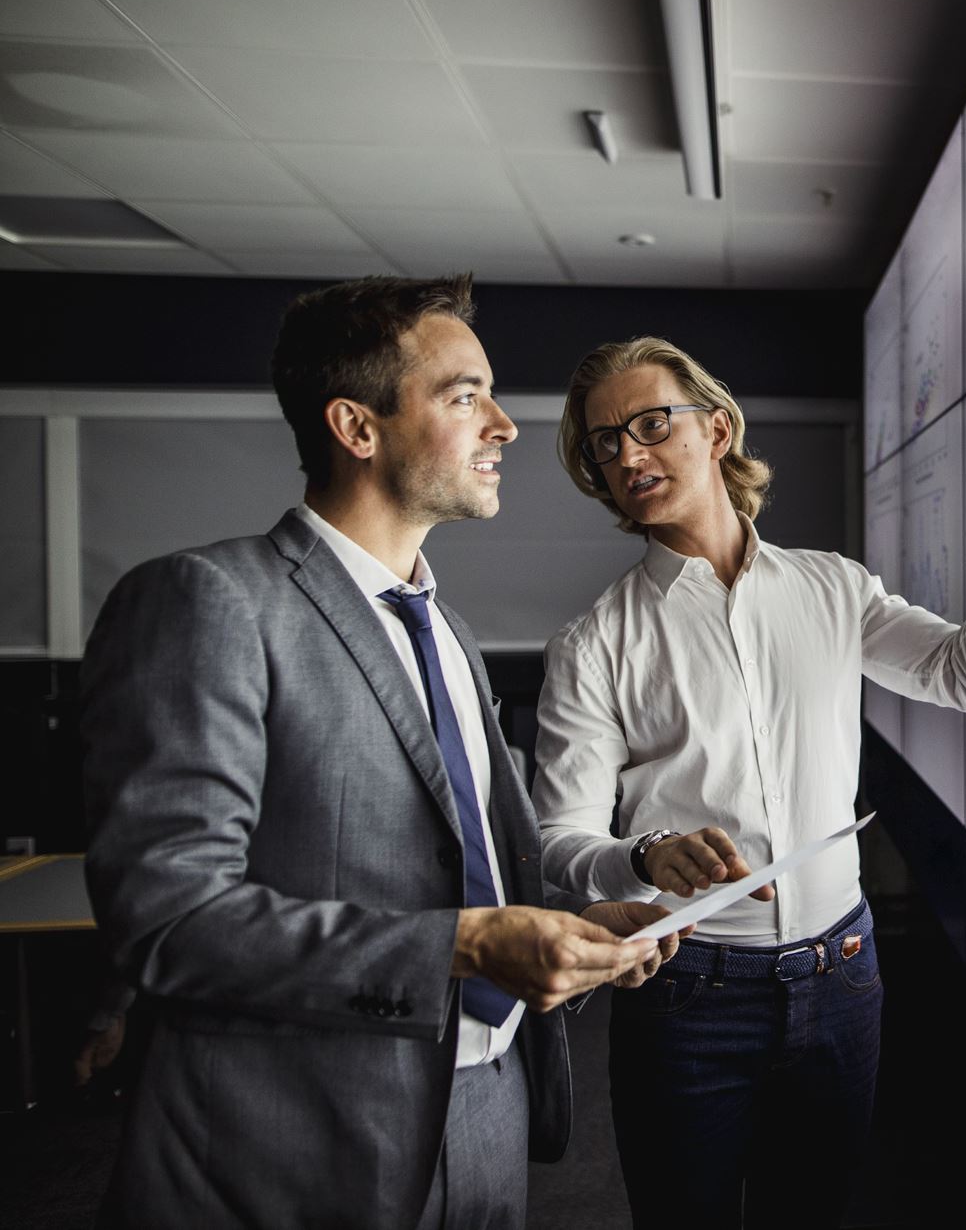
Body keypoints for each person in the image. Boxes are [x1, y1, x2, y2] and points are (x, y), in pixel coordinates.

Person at [81, 275, 682, 1229]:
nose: (505, 425)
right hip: (295, 1137)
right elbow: (169, 919)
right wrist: (465, 945)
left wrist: (573, 916)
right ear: (357, 429)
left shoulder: (444, 629)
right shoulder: (209, 601)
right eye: (463, 395)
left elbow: (448, 859)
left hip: (488, 1109)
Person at [531, 335, 966, 1227]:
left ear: (716, 431)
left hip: (843, 979)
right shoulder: (594, 643)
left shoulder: (832, 589)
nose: (628, 454)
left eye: (648, 425)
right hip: (687, 997)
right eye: (606, 443)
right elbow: (559, 842)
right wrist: (645, 854)